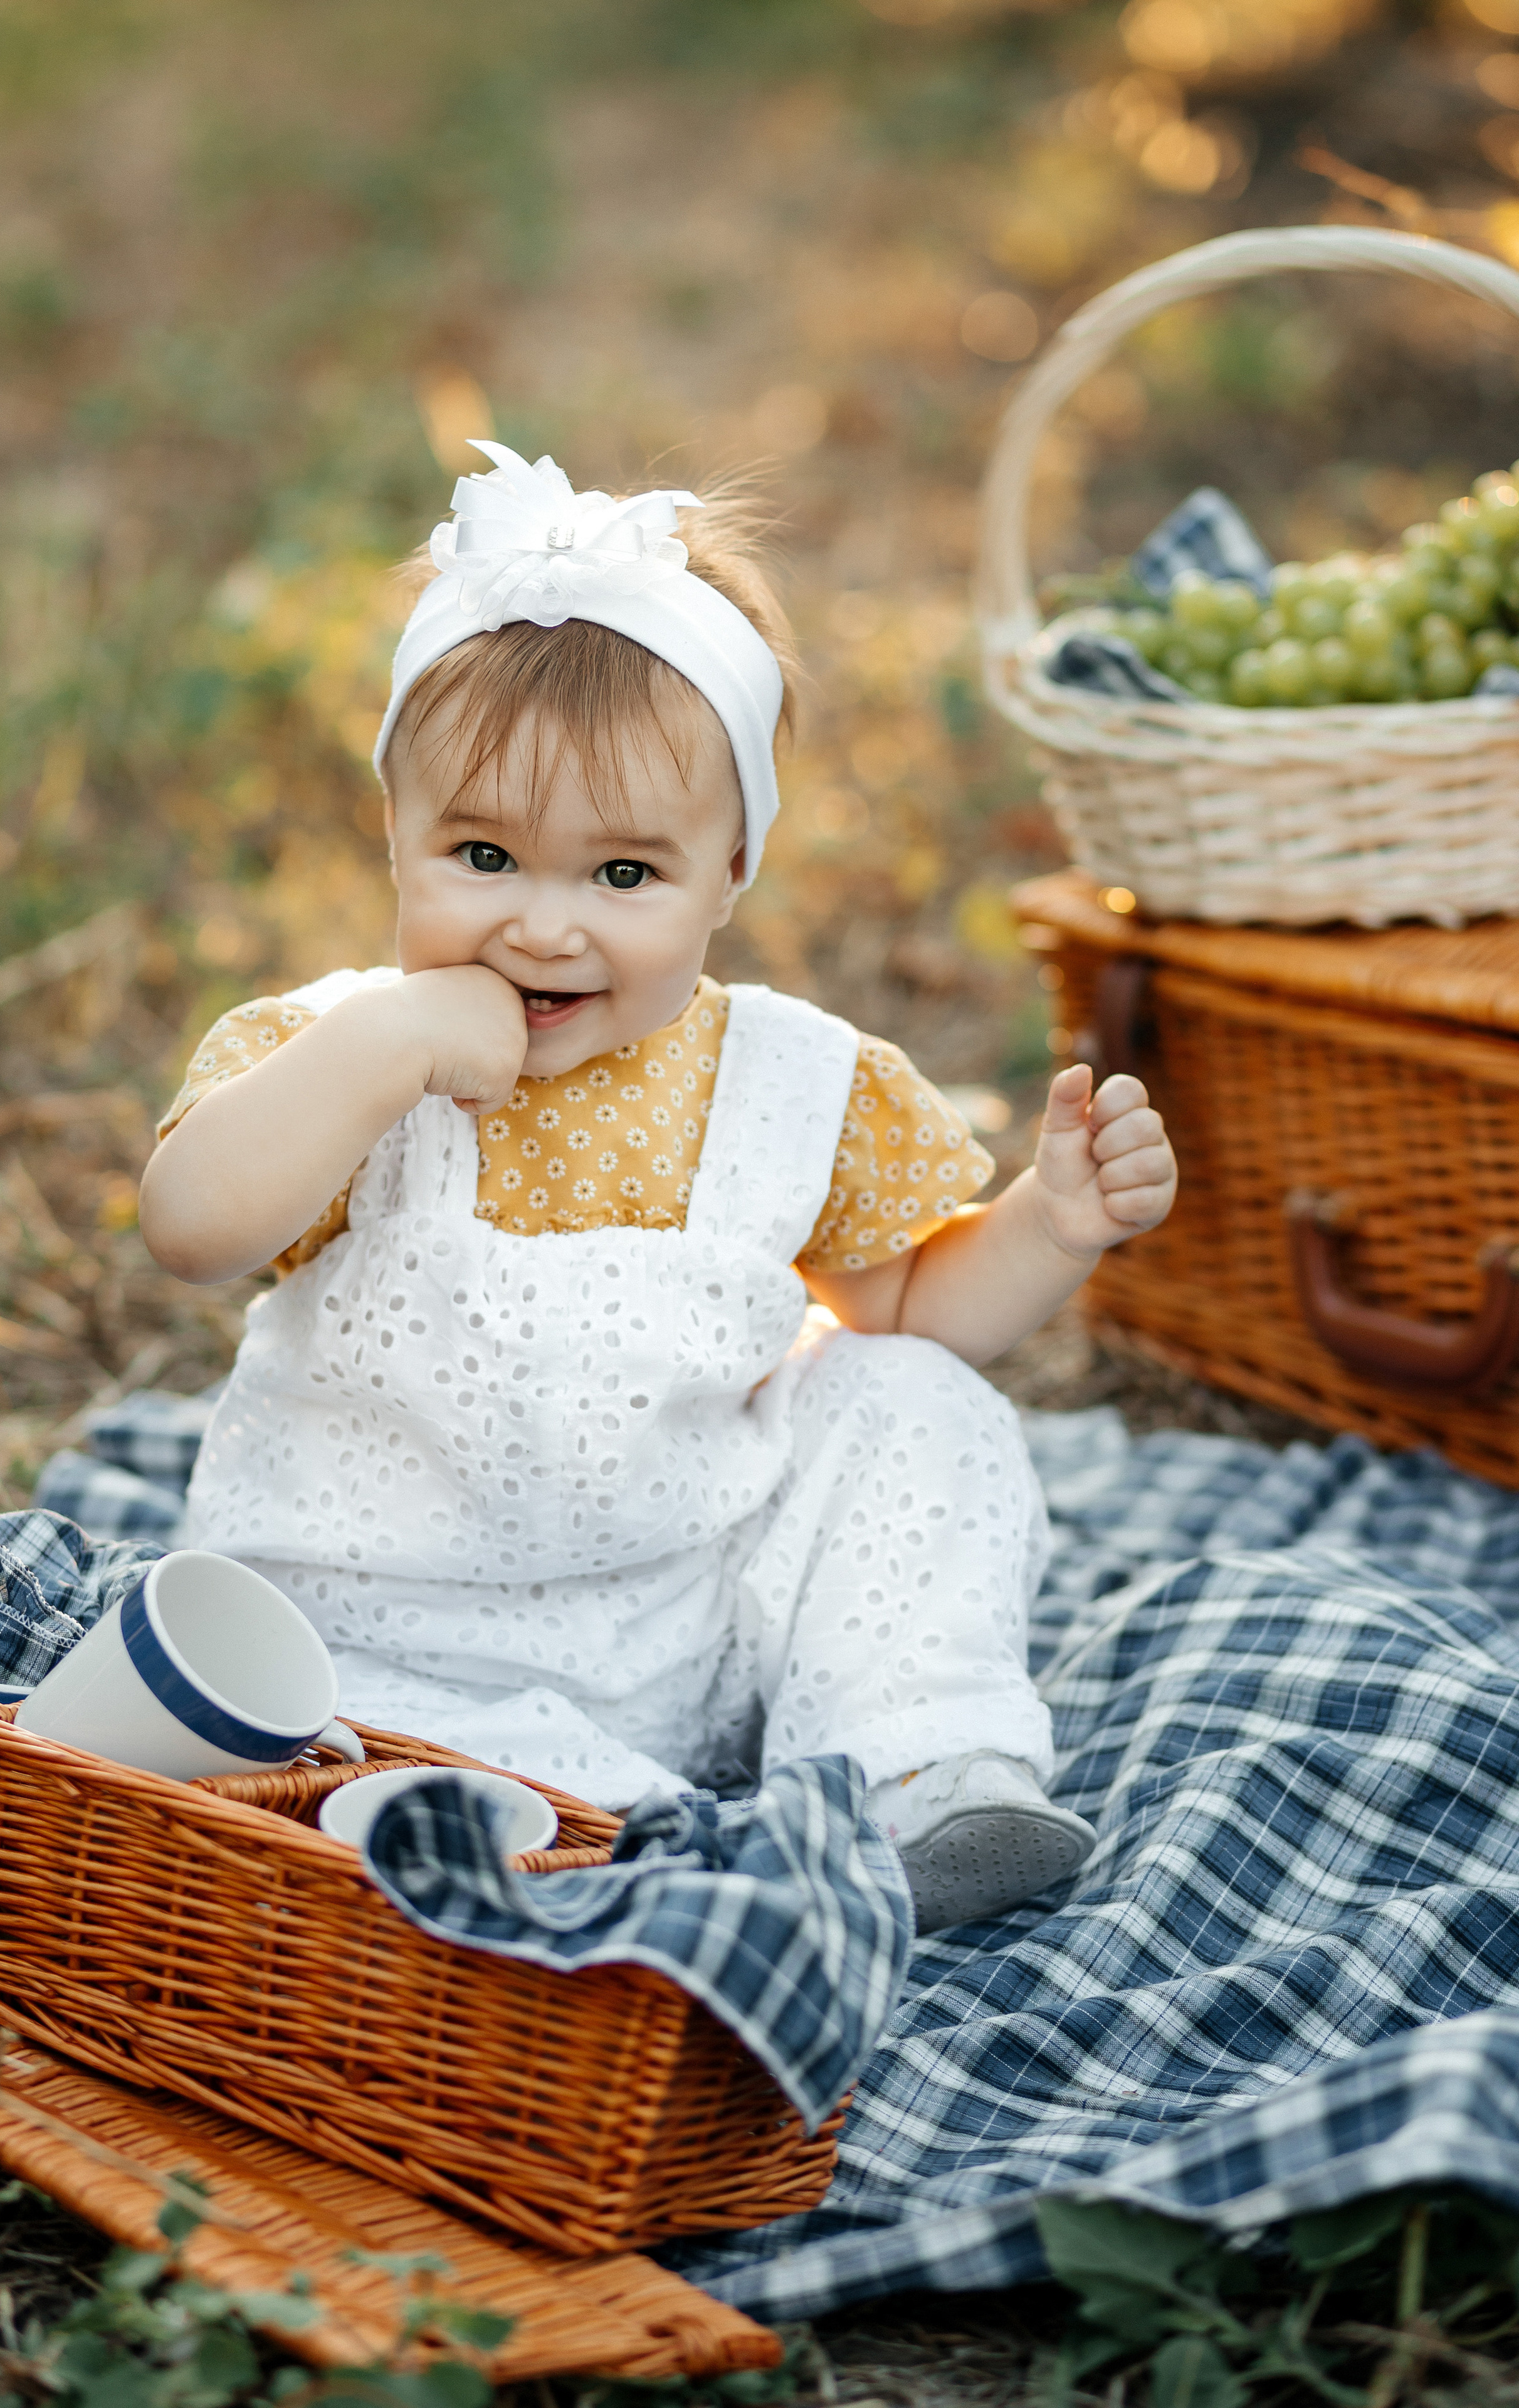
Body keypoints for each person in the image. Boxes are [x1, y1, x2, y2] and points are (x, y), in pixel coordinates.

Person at [139, 442, 1177, 1931]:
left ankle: (912, 1770)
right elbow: (189, 1229)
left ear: (729, 871)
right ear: (394, 836)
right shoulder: (334, 1056)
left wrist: (1048, 1225)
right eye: (483, 855)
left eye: (622, 877)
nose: (545, 928)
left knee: (907, 1399)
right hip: (369, 1642)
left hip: (689, 1626)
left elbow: (902, 1308)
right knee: (360, 1779)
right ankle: (495, 1822)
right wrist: (382, 1047)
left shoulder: (791, 1081)